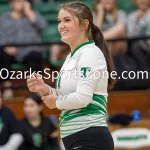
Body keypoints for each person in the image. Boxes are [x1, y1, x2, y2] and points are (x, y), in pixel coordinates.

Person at [27, 1, 115, 150]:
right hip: (75, 140)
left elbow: (82, 98)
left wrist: (56, 101)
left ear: (84, 24)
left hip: (90, 138)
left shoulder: (89, 53)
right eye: (59, 21)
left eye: (67, 20)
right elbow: (65, 96)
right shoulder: (71, 57)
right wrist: (45, 89)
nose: (61, 25)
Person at [0, 0, 47, 99]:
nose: (21, 3)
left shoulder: (32, 15)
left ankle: (37, 87)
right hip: (9, 51)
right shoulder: (3, 18)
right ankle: (8, 87)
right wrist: (6, 47)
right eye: (18, 1)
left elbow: (43, 26)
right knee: (1, 54)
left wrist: (29, 12)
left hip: (29, 50)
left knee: (35, 55)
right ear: (11, 3)